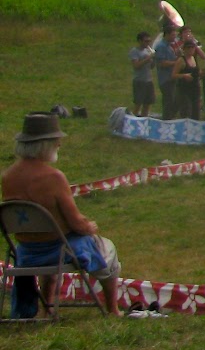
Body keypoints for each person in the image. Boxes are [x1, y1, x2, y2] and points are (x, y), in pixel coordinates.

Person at [2, 113, 122, 317]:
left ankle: (46, 308)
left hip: (26, 252)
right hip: (60, 250)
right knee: (107, 249)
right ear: (45, 144)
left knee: (53, 244)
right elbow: (76, 223)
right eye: (56, 141)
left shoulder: (7, 177)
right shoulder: (54, 177)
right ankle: (113, 309)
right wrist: (89, 226)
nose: (59, 144)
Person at [172, 38, 204, 120]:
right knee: (186, 110)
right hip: (184, 89)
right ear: (184, 49)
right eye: (188, 48)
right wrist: (184, 75)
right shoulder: (181, 60)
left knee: (196, 110)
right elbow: (173, 75)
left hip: (195, 88)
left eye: (192, 48)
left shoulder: (194, 59)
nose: (190, 50)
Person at [154, 23, 180, 119]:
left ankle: (171, 117)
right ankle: (166, 119)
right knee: (168, 101)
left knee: (174, 99)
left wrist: (178, 56)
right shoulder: (161, 46)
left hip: (172, 77)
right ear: (167, 35)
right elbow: (162, 63)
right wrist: (176, 63)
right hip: (165, 78)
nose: (174, 38)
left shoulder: (170, 46)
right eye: (173, 35)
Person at [129, 31, 156, 117]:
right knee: (138, 103)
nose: (148, 43)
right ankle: (134, 119)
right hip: (139, 80)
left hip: (148, 80)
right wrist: (148, 58)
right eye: (146, 41)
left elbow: (151, 66)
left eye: (149, 41)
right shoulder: (134, 51)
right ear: (140, 41)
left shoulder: (148, 51)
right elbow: (136, 65)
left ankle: (144, 119)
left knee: (147, 103)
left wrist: (153, 60)